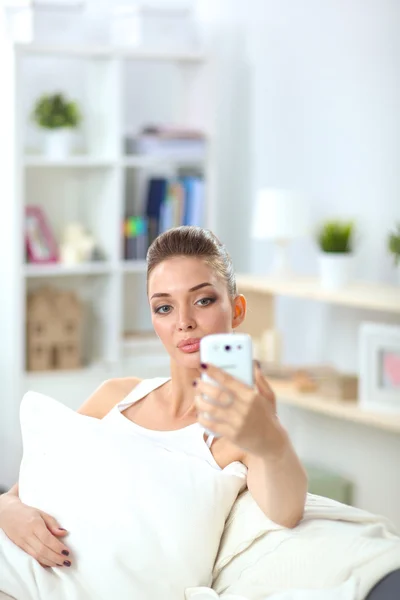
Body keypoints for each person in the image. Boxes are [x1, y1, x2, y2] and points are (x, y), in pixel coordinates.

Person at [0, 226, 307, 570]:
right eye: (164, 308)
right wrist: (6, 508)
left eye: (203, 301)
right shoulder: (114, 397)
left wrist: (272, 442)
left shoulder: (242, 436)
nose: (184, 322)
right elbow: (35, 479)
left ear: (236, 310)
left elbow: (288, 511)